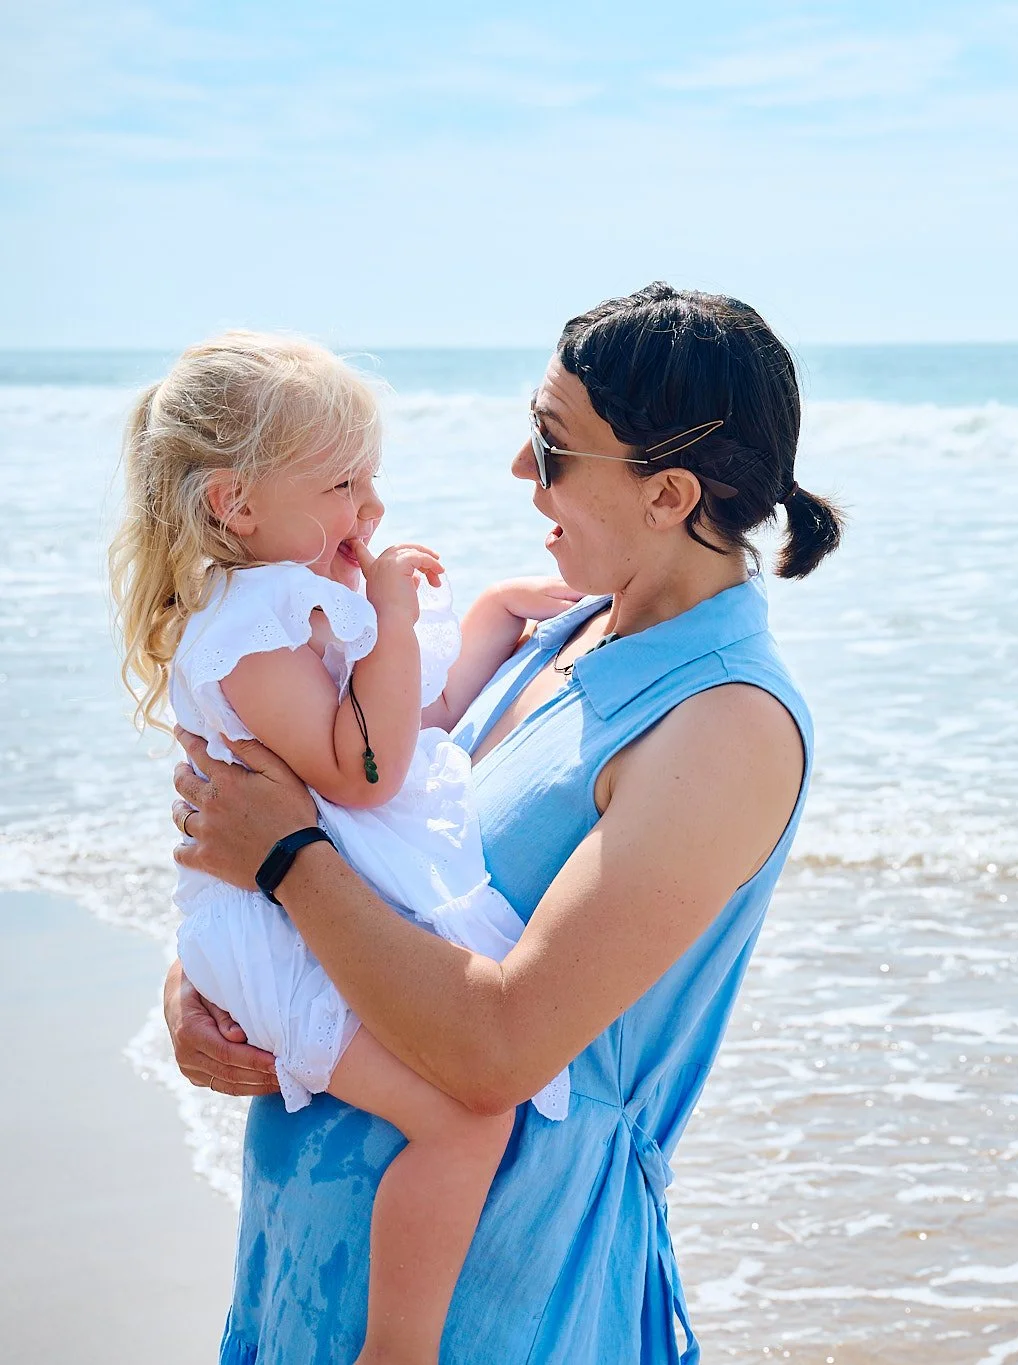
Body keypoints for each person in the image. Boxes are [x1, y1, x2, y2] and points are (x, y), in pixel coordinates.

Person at [164, 283, 841, 1362]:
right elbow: (381, 856)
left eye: (553, 444)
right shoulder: (554, 630)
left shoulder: (724, 726)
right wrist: (206, 983)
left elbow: (497, 1051)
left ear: (667, 493)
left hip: (506, 1300)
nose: (521, 472)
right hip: (309, 1270)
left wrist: (283, 859)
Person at [112, 333, 577, 1363]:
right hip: (274, 938)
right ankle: (396, 1351)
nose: (368, 508)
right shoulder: (247, 634)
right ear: (235, 504)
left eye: (371, 477)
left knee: (472, 1106)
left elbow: (414, 732)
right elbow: (359, 771)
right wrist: (395, 617)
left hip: (300, 908)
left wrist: (491, 614)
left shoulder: (300, 603)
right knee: (464, 1124)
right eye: (339, 482)